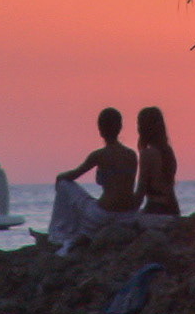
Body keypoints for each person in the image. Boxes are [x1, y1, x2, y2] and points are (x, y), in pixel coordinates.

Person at [46, 107, 138, 255]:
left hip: (104, 214)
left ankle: (58, 232)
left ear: (100, 129)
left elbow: (74, 175)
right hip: (128, 214)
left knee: (64, 184)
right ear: (120, 127)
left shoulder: (99, 155)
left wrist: (59, 177)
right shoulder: (132, 155)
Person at [133, 106, 179, 216]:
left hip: (155, 209)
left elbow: (140, 193)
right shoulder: (168, 152)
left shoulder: (147, 154)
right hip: (172, 208)